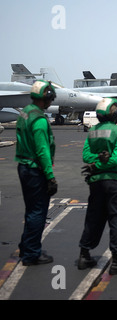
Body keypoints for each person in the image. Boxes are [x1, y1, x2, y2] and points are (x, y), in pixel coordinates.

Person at [78, 98, 117, 275]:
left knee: (93, 217)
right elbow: (116, 159)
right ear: (115, 114)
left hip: (95, 183)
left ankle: (84, 255)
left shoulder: (92, 131)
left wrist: (94, 166)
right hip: (115, 181)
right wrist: (101, 164)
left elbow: (86, 156)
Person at [15, 80, 57, 266]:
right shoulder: (39, 120)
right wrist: (50, 176)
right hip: (35, 170)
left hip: (23, 166)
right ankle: (31, 254)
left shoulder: (24, 113)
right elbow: (43, 151)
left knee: (31, 210)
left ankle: (26, 246)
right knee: (38, 212)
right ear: (45, 98)